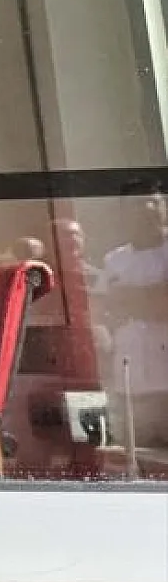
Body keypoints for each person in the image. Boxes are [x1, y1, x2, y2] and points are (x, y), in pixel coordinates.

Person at [92, 180, 168, 450]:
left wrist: (125, 297)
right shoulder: (114, 260)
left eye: (155, 201)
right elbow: (102, 310)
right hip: (130, 386)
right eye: (138, 203)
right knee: (139, 460)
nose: (148, 208)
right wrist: (149, 296)